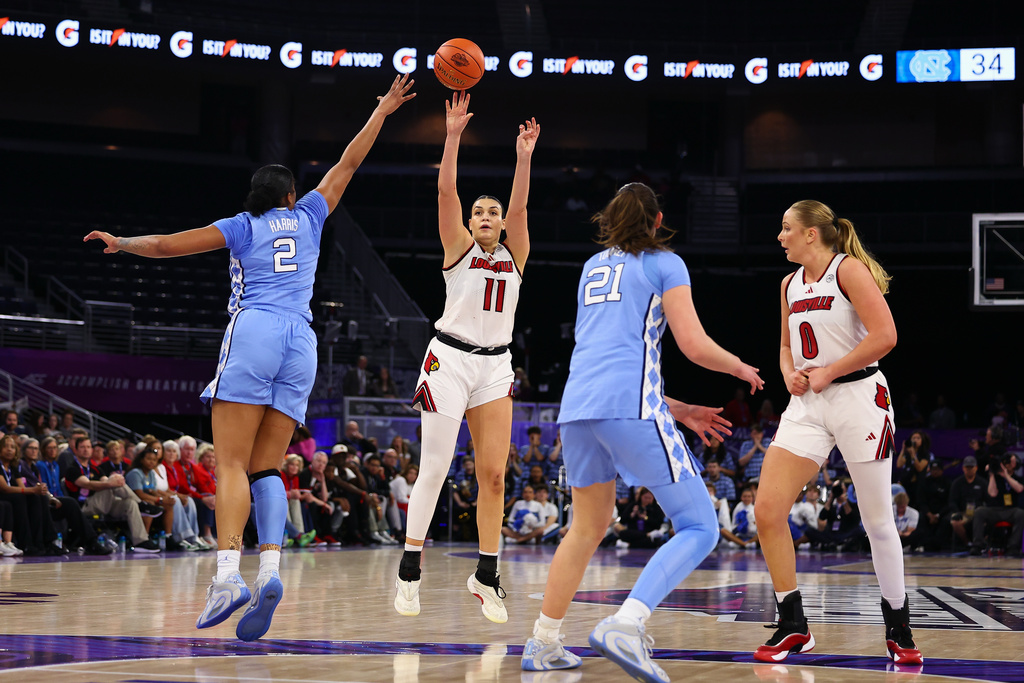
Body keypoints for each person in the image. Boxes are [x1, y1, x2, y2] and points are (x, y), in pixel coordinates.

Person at [84, 74, 415, 641]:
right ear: (290, 194)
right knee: (266, 466)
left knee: (231, 463)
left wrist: (123, 244)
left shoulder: (242, 226)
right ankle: (270, 571)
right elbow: (347, 163)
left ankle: (227, 576)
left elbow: (168, 245)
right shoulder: (310, 215)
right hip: (303, 343)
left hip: (256, 329)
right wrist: (383, 110)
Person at [521, 182, 762, 680]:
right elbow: (693, 345)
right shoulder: (664, 263)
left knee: (586, 527)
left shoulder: (592, 268)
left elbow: (611, 357)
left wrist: (676, 407)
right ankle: (626, 624)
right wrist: (739, 367)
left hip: (578, 409)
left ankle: (543, 641)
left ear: (610, 220)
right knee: (699, 526)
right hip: (628, 407)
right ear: (657, 221)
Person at [751, 200, 921, 665]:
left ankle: (899, 626)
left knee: (877, 521)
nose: (780, 236)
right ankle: (793, 624)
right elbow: (787, 345)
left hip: (860, 398)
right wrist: (789, 372)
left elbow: (885, 334)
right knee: (766, 510)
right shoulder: (788, 283)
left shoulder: (847, 270)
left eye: (787, 228)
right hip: (807, 403)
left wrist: (831, 370)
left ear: (812, 234)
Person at [396, 90, 539, 624]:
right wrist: (452, 135)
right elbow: (445, 192)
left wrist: (523, 158)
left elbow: (522, 205)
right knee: (434, 467)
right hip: (448, 361)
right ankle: (410, 569)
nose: (484, 215)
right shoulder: (457, 249)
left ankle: (486, 575)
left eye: (492, 211)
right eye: (478, 212)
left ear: (502, 224)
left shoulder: (515, 254)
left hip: (495, 366)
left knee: (494, 476)